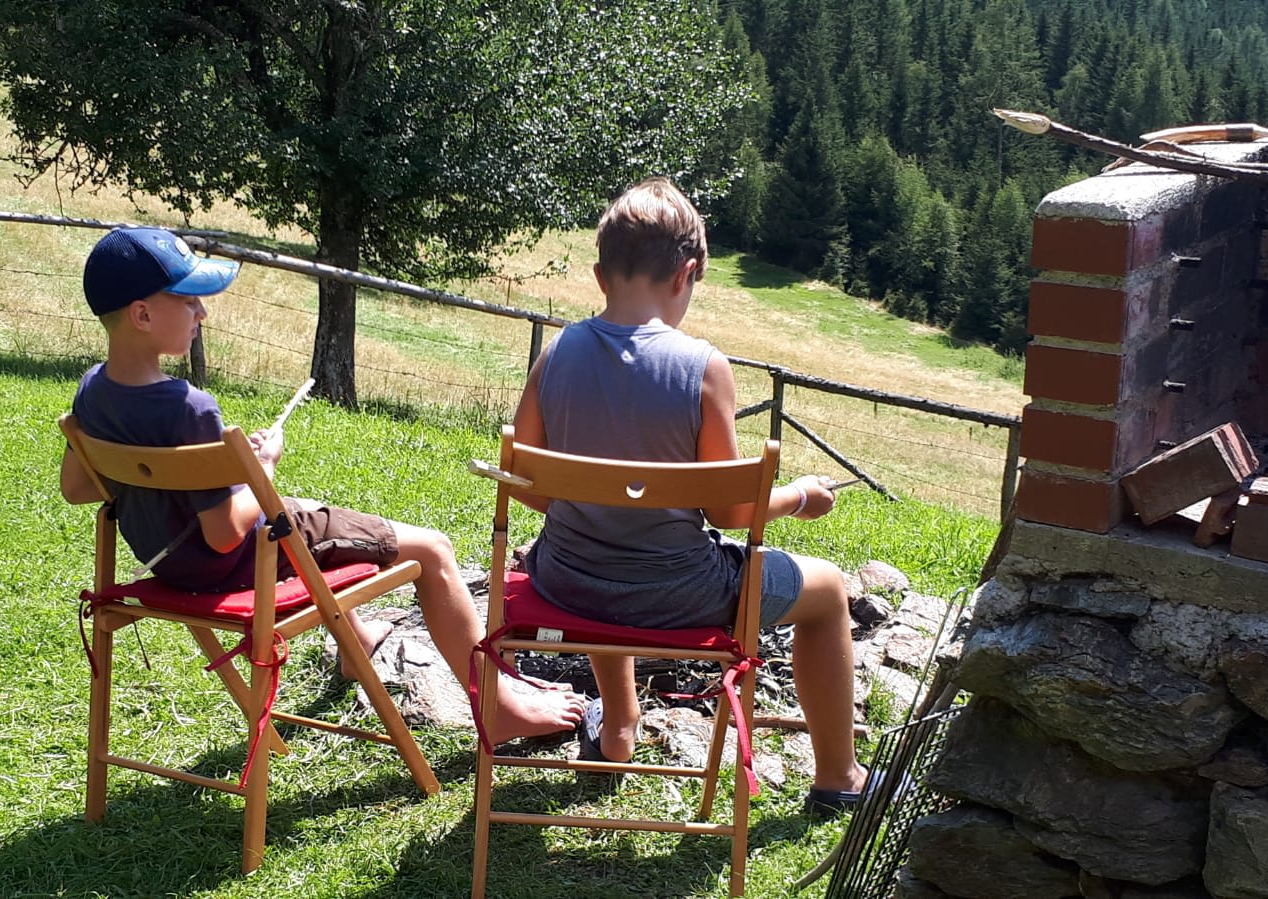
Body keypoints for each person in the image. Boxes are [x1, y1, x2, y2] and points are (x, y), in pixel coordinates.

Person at [60, 226, 585, 744]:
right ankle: (499, 708)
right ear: (142, 314)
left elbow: (78, 487)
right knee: (433, 549)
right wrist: (261, 468)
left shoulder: (93, 390)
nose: (202, 312)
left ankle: (358, 641)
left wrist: (198, 473)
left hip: (168, 562)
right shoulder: (189, 408)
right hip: (230, 564)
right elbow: (224, 533)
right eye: (189, 300)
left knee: (316, 516)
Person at [510, 178, 869, 817]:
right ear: (687, 273)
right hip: (679, 593)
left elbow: (530, 487)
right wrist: (797, 496)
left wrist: (599, 511)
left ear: (600, 275)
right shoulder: (703, 368)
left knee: (607, 553)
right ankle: (840, 777)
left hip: (568, 582)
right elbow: (731, 512)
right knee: (829, 591)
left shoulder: (556, 353)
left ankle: (617, 729)